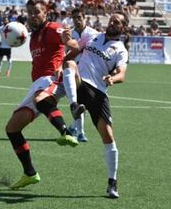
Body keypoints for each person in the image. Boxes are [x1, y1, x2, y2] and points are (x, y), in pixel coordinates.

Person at [43, 11, 130, 199]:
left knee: (108, 137)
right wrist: (67, 41)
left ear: (123, 28)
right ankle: (74, 105)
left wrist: (112, 78)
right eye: (112, 20)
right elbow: (74, 49)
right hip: (79, 82)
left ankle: (112, 183)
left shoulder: (120, 49)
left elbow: (122, 73)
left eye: (117, 22)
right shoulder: (92, 35)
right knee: (69, 66)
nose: (112, 23)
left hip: (98, 92)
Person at [5, 0, 80, 190]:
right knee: (12, 128)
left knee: (41, 98)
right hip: (37, 84)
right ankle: (30, 173)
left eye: (36, 12)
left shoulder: (53, 28)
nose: (32, 15)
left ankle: (67, 132)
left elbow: (73, 45)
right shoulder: (33, 36)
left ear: (45, 13)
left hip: (50, 79)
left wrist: (62, 62)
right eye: (30, 12)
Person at [66, 8, 99, 142]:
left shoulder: (93, 34)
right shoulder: (69, 34)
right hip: (74, 70)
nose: (77, 20)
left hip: (90, 72)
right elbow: (65, 52)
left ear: (84, 17)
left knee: (85, 104)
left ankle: (73, 127)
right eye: (74, 18)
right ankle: (81, 133)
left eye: (79, 17)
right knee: (80, 102)